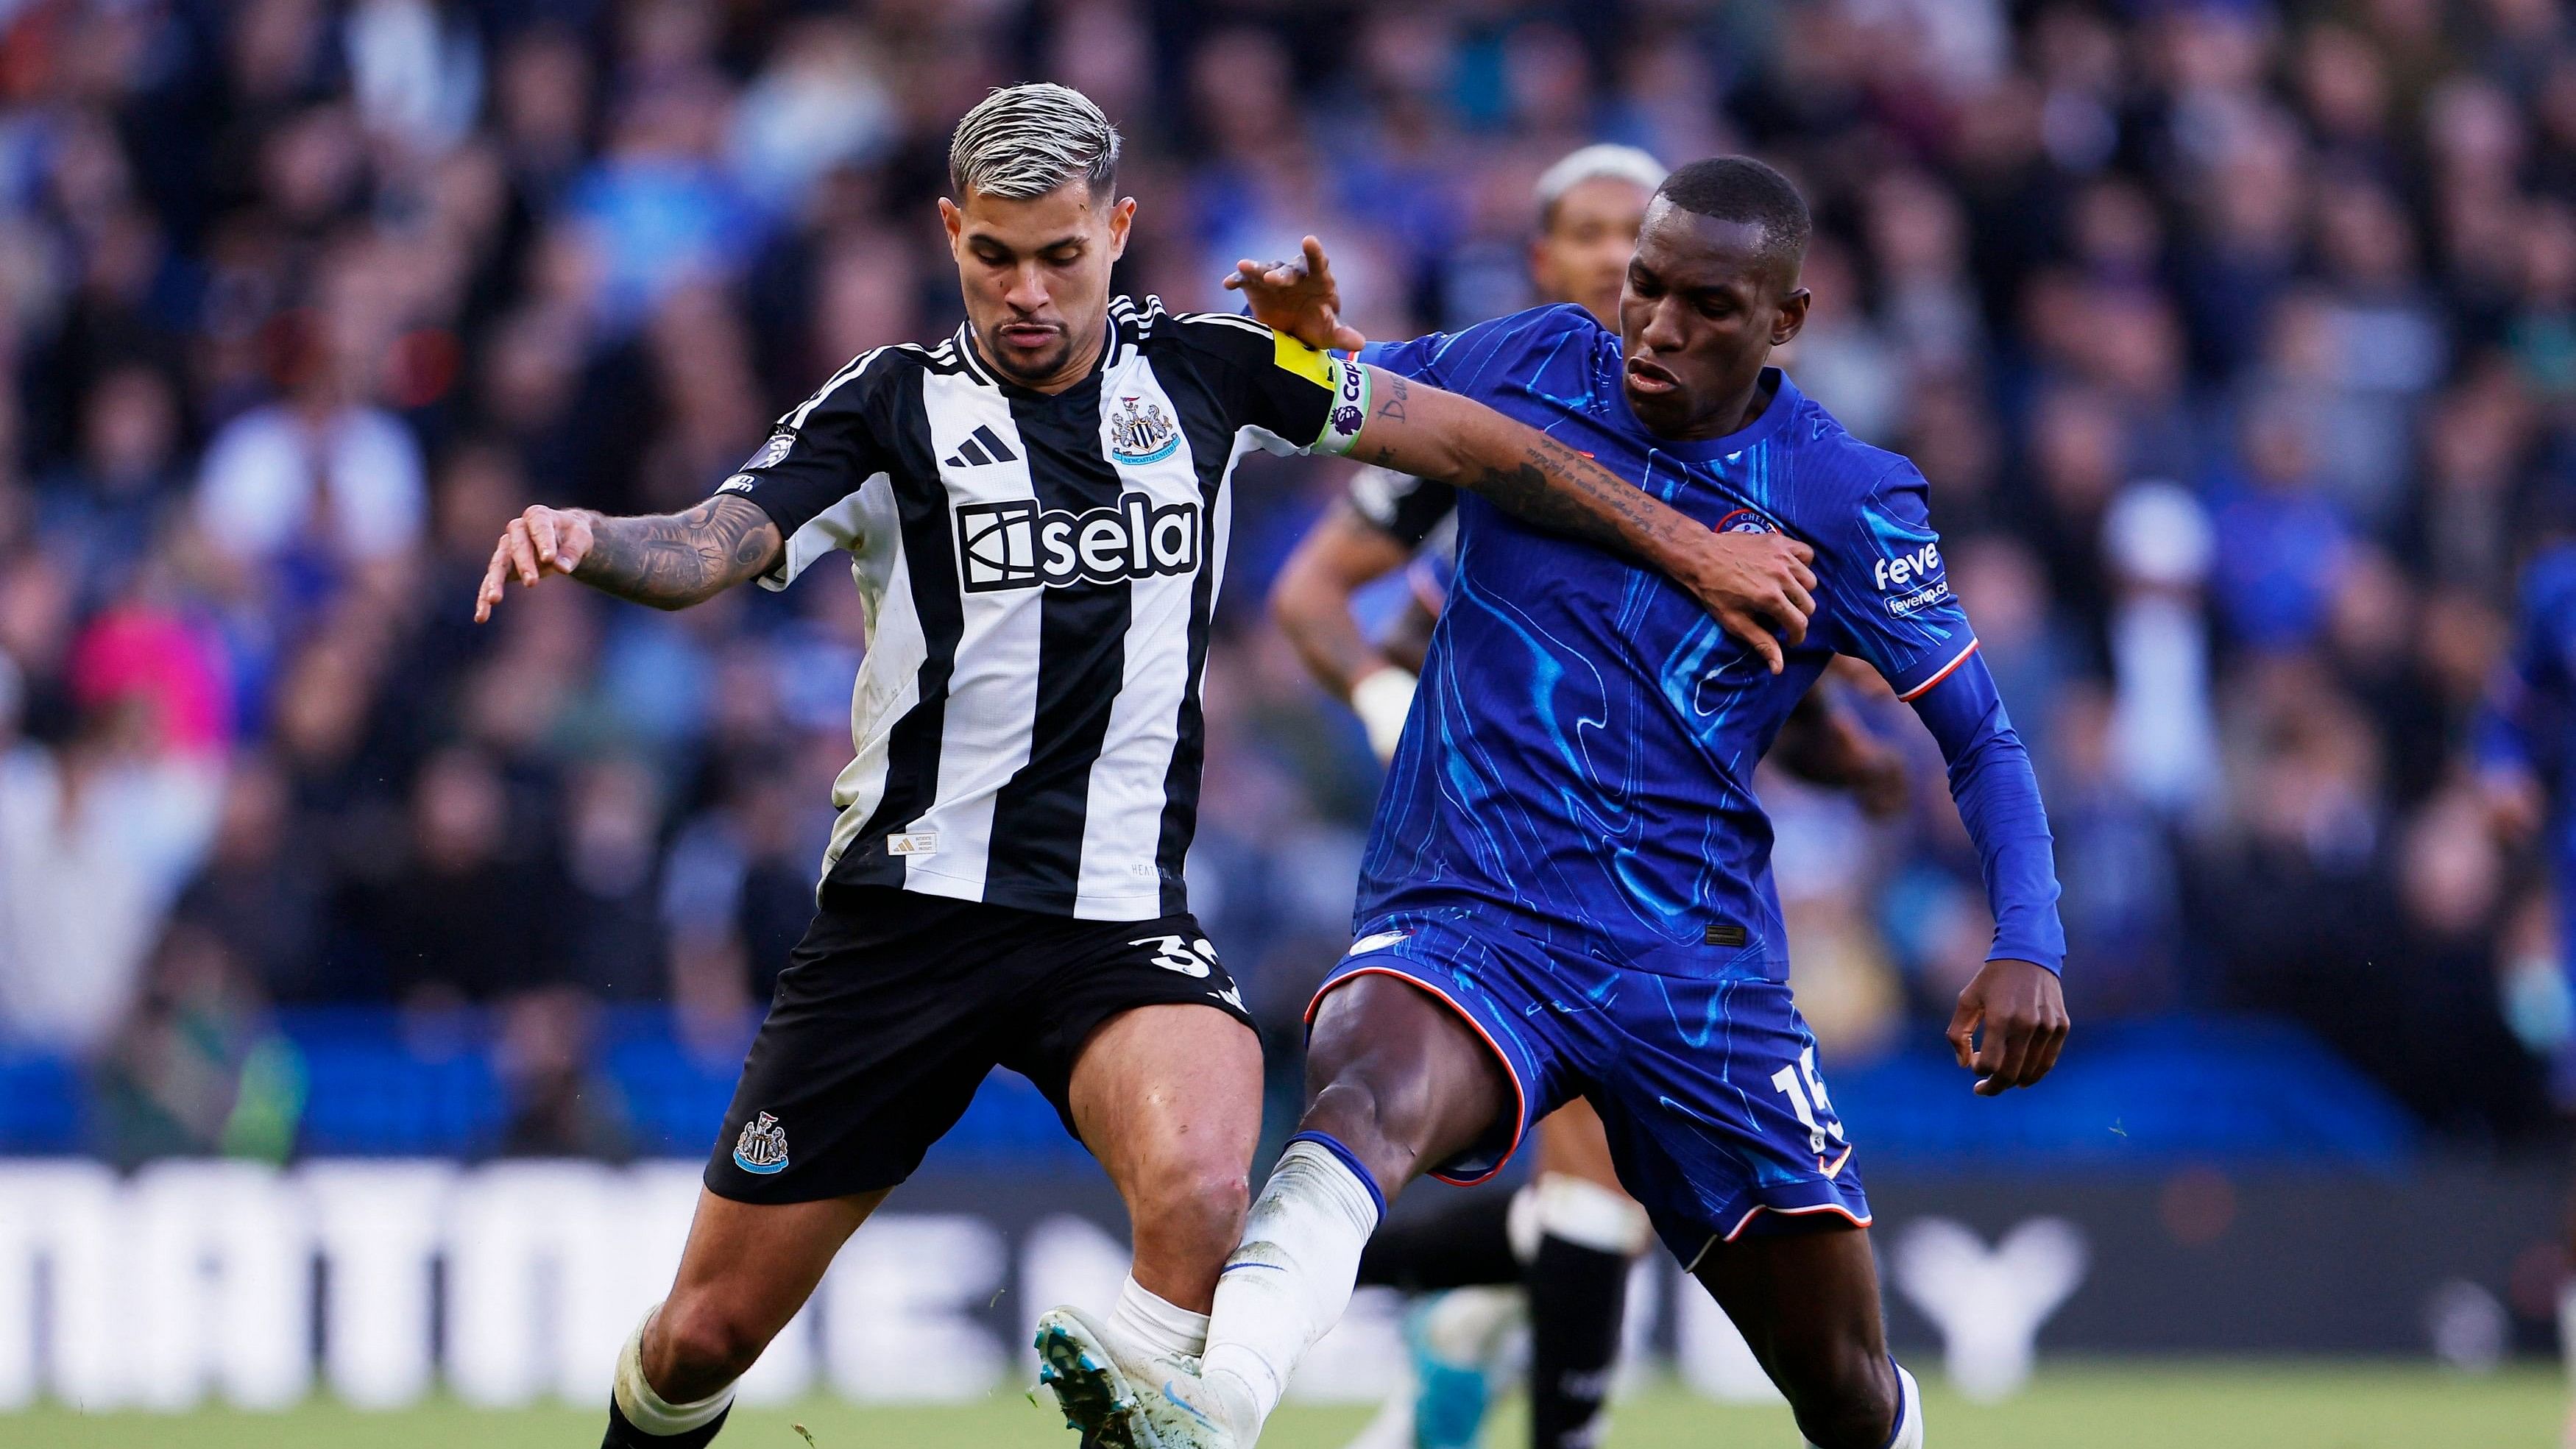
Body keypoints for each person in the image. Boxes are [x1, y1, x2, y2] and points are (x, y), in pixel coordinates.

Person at [469, 86, 1820, 1449]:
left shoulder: (1214, 373)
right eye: (994, 256)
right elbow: (715, 542)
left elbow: (1475, 439)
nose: (1028, 292)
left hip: (1115, 928)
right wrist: (593, 535)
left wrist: (1692, 544)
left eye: (1061, 254)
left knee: (1200, 1180)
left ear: (1117, 229)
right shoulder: (887, 407)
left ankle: (1156, 1419)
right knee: (704, 1333)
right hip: (901, 929)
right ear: (950, 236)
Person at [1038, 157, 2070, 1449]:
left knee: (1846, 1388)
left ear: (1786, 323)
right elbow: (1376, 395)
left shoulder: (1846, 492)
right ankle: (1215, 1404)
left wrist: (2027, 935)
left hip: (1692, 972)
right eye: (1644, 285)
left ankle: (1453, 1364)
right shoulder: (1534, 359)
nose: (1658, 325)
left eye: (1707, 304)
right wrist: (1314, 346)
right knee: (1361, 1080)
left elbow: (1983, 741)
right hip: (1474, 911)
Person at [1266, 144, 1904, 1449]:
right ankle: (1516, 1402)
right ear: (1550, 263)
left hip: (1641, 859)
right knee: (1576, 1191)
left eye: (1641, 232)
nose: (1624, 260)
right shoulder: (1500, 398)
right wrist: (1402, 715)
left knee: (1582, 1204)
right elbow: (1319, 593)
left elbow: (1726, 650)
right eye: (1597, 235)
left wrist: (1837, 732)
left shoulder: (1738, 442)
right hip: (1482, 858)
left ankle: (1412, 1346)